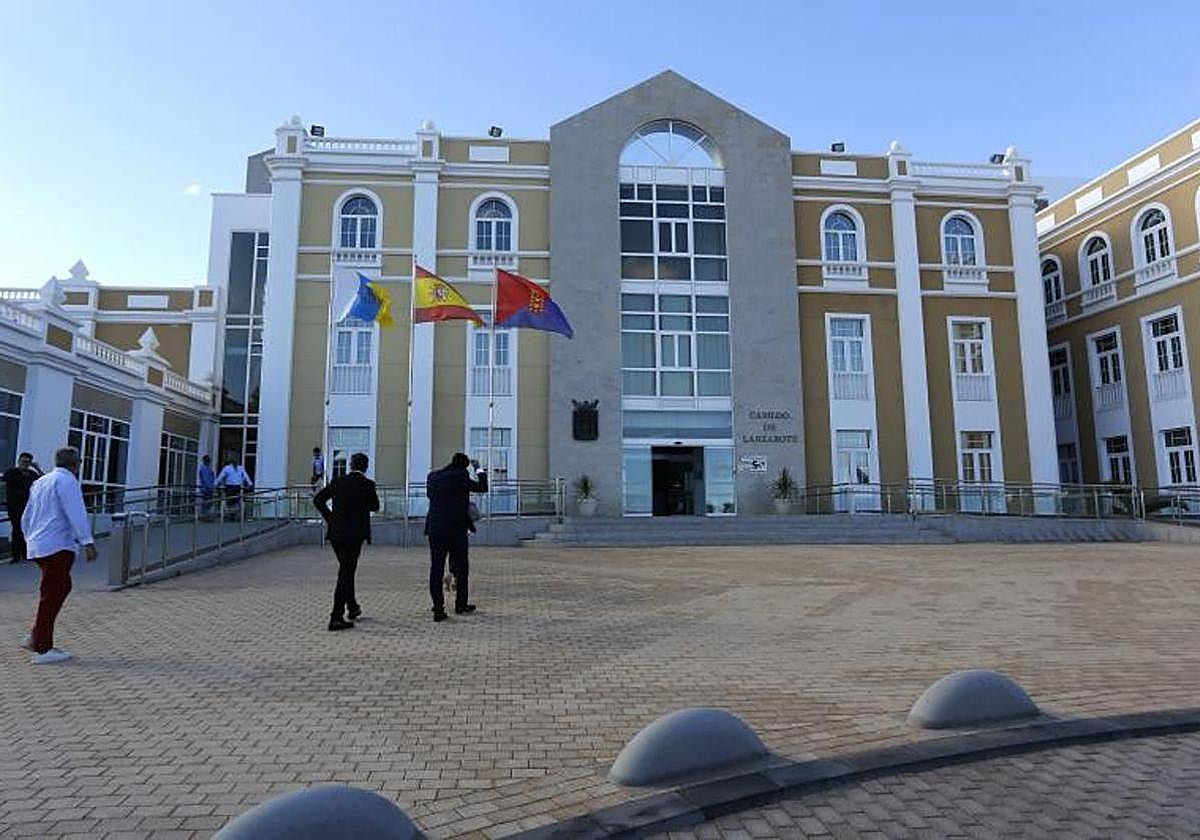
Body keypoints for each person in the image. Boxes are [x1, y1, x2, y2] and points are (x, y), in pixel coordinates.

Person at [20, 447, 96, 664]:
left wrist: (29, 537)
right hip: (57, 545)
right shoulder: (68, 482)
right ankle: (42, 648)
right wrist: (87, 541)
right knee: (53, 593)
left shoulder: (41, 481)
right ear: (76, 464)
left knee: (56, 589)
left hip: (39, 543)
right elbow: (76, 512)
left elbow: (28, 514)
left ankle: (37, 635)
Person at [313, 452, 379, 631]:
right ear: (365, 467)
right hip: (355, 535)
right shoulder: (367, 485)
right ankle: (336, 616)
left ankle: (352, 606)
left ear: (351, 465)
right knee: (346, 572)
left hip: (336, 533)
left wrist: (331, 518)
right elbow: (375, 506)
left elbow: (318, 500)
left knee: (346, 569)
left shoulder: (338, 482)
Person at [424, 453, 487, 622]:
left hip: (435, 527)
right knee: (462, 566)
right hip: (456, 529)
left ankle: (438, 608)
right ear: (464, 467)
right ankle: (461, 604)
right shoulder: (460, 475)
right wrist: (478, 468)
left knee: (436, 568)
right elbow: (482, 487)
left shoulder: (433, 476)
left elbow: (430, 496)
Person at [3, 452, 42, 563]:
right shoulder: (11, 472)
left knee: (28, 530)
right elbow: (4, 482)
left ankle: (26, 554)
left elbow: (44, 481)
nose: (25, 464)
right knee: (17, 529)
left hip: (29, 507)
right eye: (23, 461)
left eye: (28, 462)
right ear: (19, 461)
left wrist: (37, 468)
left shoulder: (32, 474)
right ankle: (16, 556)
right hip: (15, 506)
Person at [196, 455, 216, 520]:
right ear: (205, 461)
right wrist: (210, 487)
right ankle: (205, 515)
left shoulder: (208, 468)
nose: (209, 462)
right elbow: (205, 479)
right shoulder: (203, 468)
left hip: (209, 487)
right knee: (206, 502)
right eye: (208, 460)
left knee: (209, 502)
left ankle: (206, 515)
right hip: (206, 488)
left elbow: (211, 478)